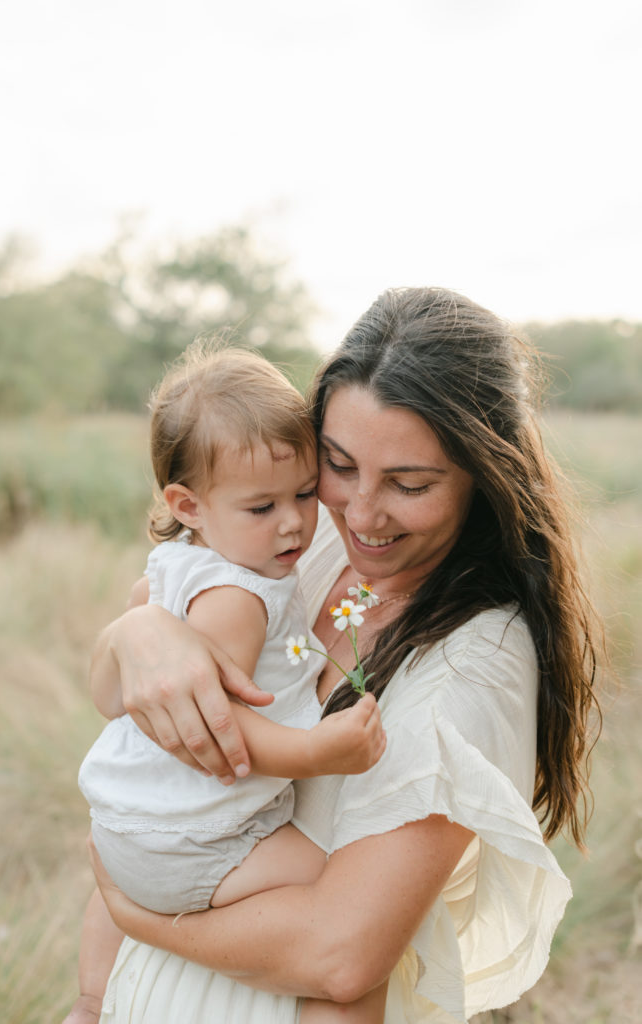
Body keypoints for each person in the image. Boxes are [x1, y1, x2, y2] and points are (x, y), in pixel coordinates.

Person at [79, 287, 601, 1024]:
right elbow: (116, 691)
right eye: (339, 464)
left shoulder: (476, 657)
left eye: (410, 484)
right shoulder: (306, 540)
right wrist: (135, 635)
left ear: (484, 478)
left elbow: (342, 956)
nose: (359, 514)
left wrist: (134, 909)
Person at [68, 345, 388, 1024]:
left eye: (304, 492)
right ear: (188, 503)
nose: (294, 521)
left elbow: (124, 673)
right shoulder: (237, 599)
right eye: (262, 506)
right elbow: (217, 728)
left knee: (116, 892)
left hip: (127, 829)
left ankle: (91, 1003)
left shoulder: (174, 565)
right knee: (348, 914)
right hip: (196, 843)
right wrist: (317, 754)